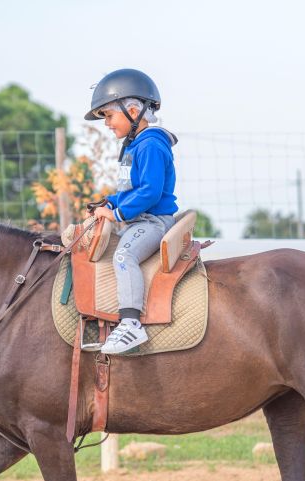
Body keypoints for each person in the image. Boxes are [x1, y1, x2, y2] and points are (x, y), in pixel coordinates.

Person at [85, 68, 179, 354]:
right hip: (137, 215)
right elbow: (131, 190)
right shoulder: (135, 146)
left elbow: (149, 192)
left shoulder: (150, 145)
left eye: (109, 116)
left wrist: (116, 215)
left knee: (124, 255)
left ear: (134, 110)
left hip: (152, 222)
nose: (108, 124)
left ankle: (130, 323)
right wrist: (110, 202)